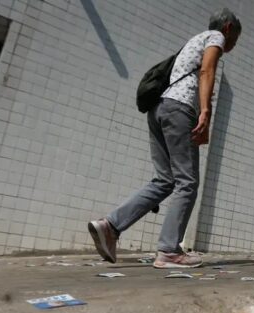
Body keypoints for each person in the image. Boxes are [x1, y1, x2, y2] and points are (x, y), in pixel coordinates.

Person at [88, 9, 241, 268]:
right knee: (187, 182)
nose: (234, 43)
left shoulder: (192, 42)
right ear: (227, 28)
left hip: (159, 110)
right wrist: (206, 111)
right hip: (180, 109)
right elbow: (207, 72)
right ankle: (169, 250)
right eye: (236, 37)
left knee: (165, 180)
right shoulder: (215, 37)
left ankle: (110, 225)